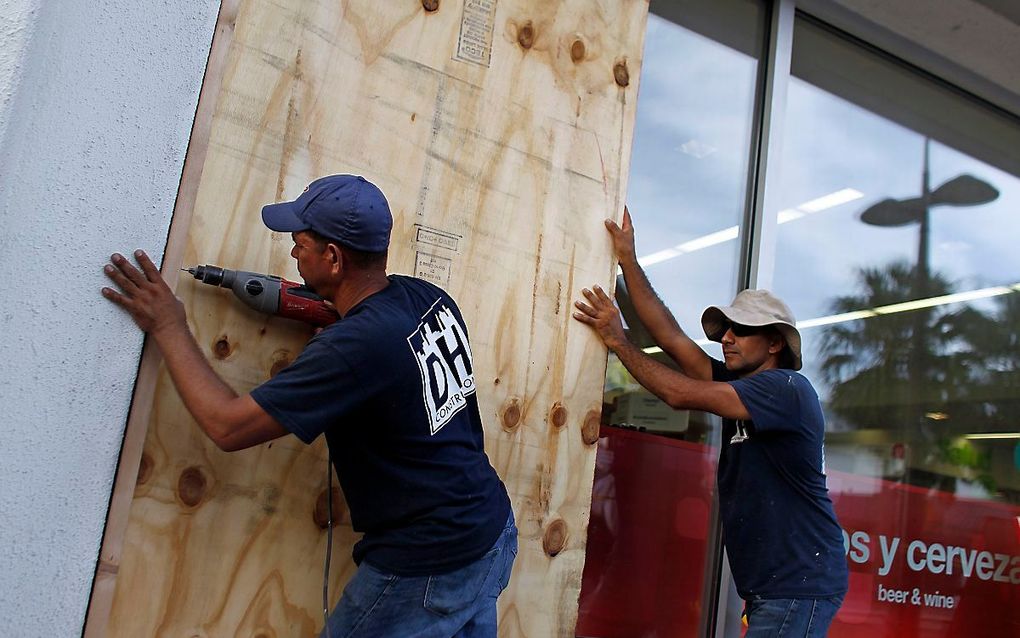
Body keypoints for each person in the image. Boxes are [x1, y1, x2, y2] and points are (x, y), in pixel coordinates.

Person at [102, 174, 516, 638]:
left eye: (300, 244)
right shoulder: (429, 297)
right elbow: (394, 366)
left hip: (430, 567)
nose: (294, 255)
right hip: (491, 530)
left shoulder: (352, 348)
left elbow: (227, 427)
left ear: (334, 258)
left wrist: (169, 325)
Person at [572, 208, 848, 637]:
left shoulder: (786, 389)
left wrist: (618, 342)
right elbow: (672, 337)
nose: (726, 338)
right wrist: (627, 258)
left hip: (799, 585)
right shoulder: (739, 385)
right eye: (726, 329)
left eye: (741, 330)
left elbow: (678, 394)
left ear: (775, 342)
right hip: (772, 587)